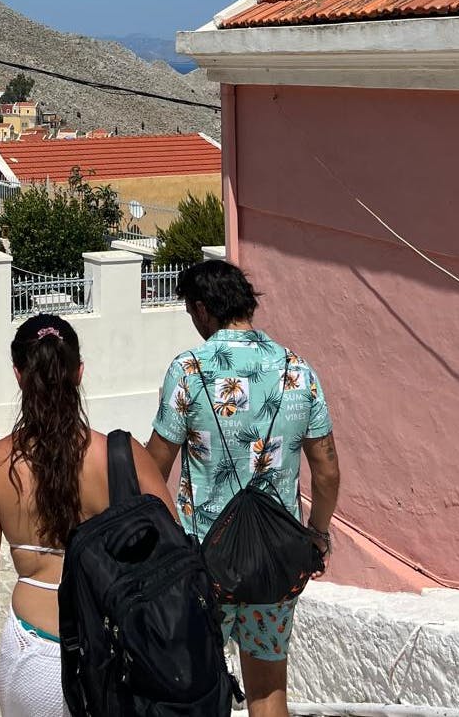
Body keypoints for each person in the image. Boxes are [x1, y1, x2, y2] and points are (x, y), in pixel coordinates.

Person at [145, 260, 341, 717]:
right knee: (269, 692)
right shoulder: (298, 370)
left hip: (205, 561)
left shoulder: (190, 370)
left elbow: (154, 468)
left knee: (200, 690)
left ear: (201, 309)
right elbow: (327, 472)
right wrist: (317, 533)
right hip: (276, 563)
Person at [0, 314, 176, 717]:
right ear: (79, 373)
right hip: (119, 652)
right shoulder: (124, 457)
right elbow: (173, 552)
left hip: (34, 654)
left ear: (18, 375)